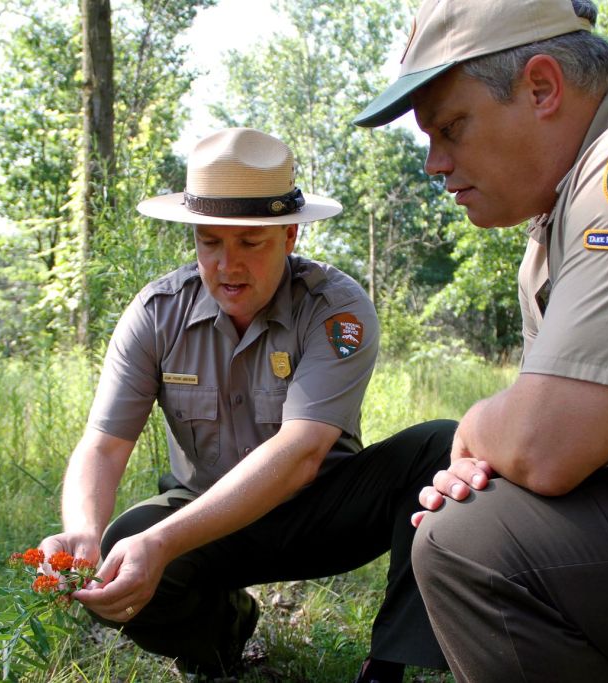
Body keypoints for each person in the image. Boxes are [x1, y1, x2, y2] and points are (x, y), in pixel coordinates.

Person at [355, 0, 608, 681]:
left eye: (451, 128)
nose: (434, 163)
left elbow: (548, 444)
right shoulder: (556, 227)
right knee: (488, 515)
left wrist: (478, 430)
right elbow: (572, 449)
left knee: (473, 545)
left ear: (542, 86)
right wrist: (496, 457)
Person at [39, 127, 455, 681]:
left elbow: (302, 452)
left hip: (322, 511)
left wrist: (161, 541)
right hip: (207, 515)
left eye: (250, 243)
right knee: (120, 548)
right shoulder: (156, 314)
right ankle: (221, 641)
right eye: (210, 242)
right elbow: (105, 444)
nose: (228, 266)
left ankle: (389, 662)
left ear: (290, 236)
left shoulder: (335, 309)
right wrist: (84, 533)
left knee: (441, 446)